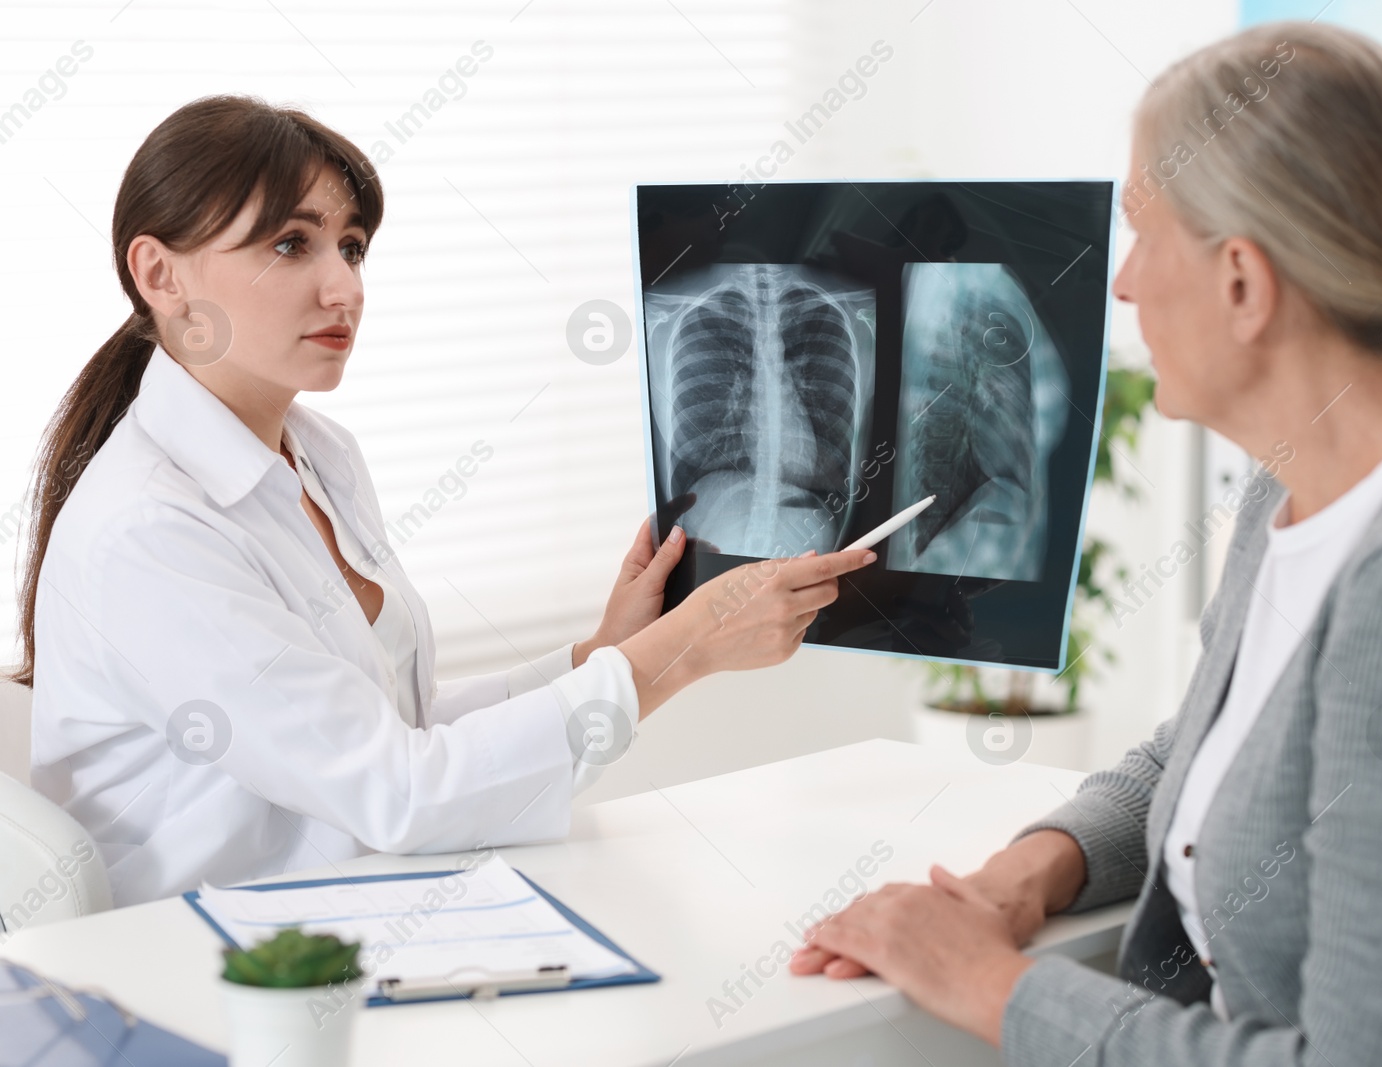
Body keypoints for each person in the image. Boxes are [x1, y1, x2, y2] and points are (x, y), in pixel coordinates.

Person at [791, 21, 1382, 1066]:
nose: (1121, 284)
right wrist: (1030, 868)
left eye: (1140, 229)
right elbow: (1211, 747)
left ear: (1241, 281)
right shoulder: (1300, 486)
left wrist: (993, 987)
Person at [12, 94, 873, 907]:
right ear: (158, 273)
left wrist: (602, 652)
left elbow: (391, 727)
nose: (343, 288)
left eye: (350, 247)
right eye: (289, 245)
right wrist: (683, 651)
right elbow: (399, 791)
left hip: (345, 915)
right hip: (206, 975)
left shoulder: (318, 457)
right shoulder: (149, 529)